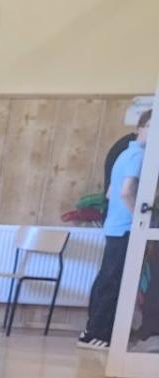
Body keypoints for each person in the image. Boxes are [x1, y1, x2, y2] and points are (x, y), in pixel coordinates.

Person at [82, 109, 149, 349]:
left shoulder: (125, 153)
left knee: (106, 278)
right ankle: (99, 334)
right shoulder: (139, 156)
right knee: (113, 281)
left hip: (114, 226)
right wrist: (139, 218)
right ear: (141, 128)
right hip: (125, 228)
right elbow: (124, 192)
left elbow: (110, 192)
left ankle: (91, 330)